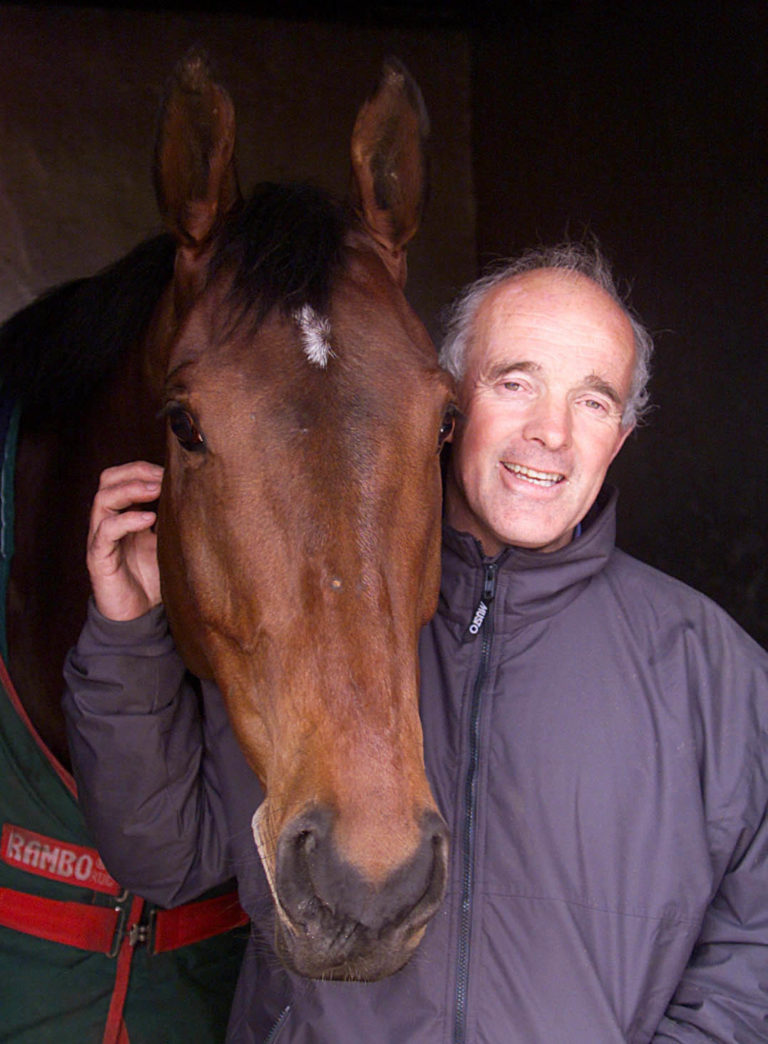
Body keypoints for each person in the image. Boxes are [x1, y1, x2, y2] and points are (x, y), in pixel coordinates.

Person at [63, 242, 768, 1042]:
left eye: (593, 401)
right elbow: (162, 858)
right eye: (516, 383)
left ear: (622, 436)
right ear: (450, 407)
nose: (551, 433)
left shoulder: (714, 673)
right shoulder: (311, 622)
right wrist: (129, 638)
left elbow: (754, 951)